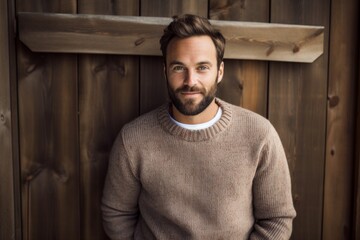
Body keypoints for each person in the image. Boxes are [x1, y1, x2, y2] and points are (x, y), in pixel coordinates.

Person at [101, 14, 296, 240]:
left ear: (219, 72)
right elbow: (116, 214)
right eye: (178, 68)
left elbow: (277, 220)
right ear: (165, 71)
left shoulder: (260, 135)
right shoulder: (133, 139)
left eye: (202, 67)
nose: (190, 80)